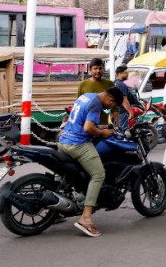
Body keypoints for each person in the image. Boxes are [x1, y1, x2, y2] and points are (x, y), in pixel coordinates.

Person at [57, 86, 123, 237]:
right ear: (111, 100)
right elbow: (88, 128)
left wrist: (99, 127)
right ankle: (86, 218)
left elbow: (82, 121)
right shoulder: (97, 104)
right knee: (99, 174)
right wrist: (102, 132)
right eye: (112, 105)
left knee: (69, 177)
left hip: (63, 140)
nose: (109, 108)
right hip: (77, 144)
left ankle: (58, 210)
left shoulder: (86, 96)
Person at [77, 58, 115, 125]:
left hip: (104, 124)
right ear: (90, 70)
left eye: (100, 68)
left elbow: (114, 106)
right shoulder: (82, 85)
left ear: (103, 69)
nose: (98, 71)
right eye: (95, 68)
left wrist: (117, 120)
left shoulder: (110, 84)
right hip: (86, 125)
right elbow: (79, 105)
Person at [112, 65, 134, 129]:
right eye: (125, 73)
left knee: (116, 129)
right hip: (122, 112)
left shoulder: (114, 82)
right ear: (119, 74)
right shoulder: (122, 85)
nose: (127, 74)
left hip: (115, 111)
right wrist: (130, 111)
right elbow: (124, 100)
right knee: (122, 130)